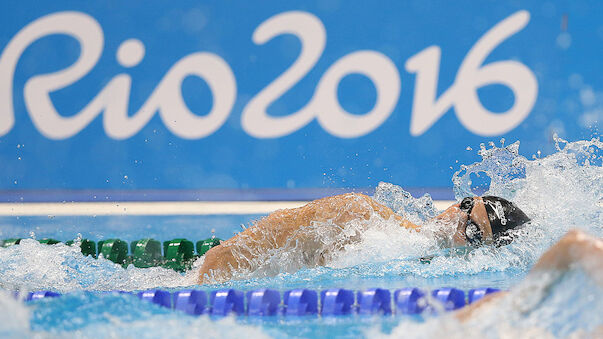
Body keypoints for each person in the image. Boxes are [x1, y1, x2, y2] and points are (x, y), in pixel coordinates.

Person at [198, 193, 530, 284]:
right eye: (467, 207)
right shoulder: (355, 213)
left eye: (472, 231)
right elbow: (219, 261)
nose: (458, 219)